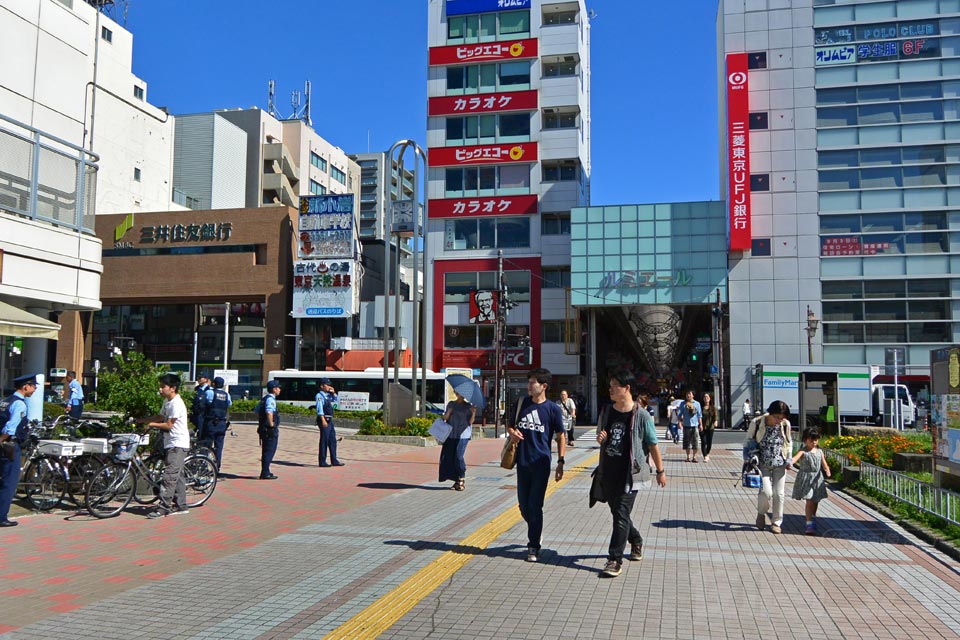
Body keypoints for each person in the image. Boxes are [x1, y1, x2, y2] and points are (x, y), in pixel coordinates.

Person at [595, 371, 667, 578]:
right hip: (608, 470)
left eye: (614, 385)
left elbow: (653, 445)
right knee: (619, 513)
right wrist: (602, 438)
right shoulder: (607, 411)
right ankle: (635, 539)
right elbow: (602, 438)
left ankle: (614, 559)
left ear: (626, 388)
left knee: (620, 514)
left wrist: (660, 472)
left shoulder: (642, 415)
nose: (610, 389)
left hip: (631, 475)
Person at [506, 367, 566, 563]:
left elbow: (560, 435)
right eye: (529, 382)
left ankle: (533, 546)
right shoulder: (522, 404)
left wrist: (561, 461)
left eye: (533, 383)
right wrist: (512, 433)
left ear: (544, 386)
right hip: (522, 463)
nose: (529, 386)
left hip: (541, 464)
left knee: (535, 505)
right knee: (524, 506)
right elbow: (510, 424)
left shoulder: (552, 409)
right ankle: (535, 529)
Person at [144, 373, 191, 518]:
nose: (160, 389)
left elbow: (169, 424)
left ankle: (164, 507)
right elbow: (161, 417)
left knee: (169, 476)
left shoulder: (177, 403)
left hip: (177, 443)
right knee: (177, 475)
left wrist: (151, 425)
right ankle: (182, 505)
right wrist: (143, 420)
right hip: (170, 443)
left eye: (163, 386)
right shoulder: (167, 402)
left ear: (172, 388)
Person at [745, 400, 793, 534]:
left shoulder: (785, 425)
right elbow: (748, 441)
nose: (779, 420)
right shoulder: (758, 422)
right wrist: (748, 457)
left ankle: (776, 522)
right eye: (777, 417)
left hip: (780, 464)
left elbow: (789, 442)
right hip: (763, 464)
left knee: (779, 494)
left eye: (782, 418)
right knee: (766, 492)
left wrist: (789, 457)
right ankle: (761, 514)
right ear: (770, 413)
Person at [0, 374, 39, 527]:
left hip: (3, 445)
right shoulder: (20, 404)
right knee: (9, 482)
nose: (35, 389)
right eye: (33, 386)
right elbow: (11, 427)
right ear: (25, 386)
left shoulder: (5, 401)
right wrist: (2, 439)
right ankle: (2, 517)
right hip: (9, 445)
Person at [791, 427, 831, 535]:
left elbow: (824, 463)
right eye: (811, 440)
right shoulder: (803, 451)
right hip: (806, 479)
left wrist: (827, 470)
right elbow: (795, 458)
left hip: (817, 479)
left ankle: (812, 517)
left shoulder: (819, 451)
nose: (814, 442)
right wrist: (790, 462)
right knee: (809, 500)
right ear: (805, 440)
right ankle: (809, 524)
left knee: (815, 500)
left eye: (816, 440)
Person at [439, 392, 476, 490]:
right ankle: (456, 480)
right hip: (451, 434)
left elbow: (471, 422)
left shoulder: (468, 406)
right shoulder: (451, 404)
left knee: (459, 456)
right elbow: (445, 419)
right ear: (456, 393)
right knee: (451, 457)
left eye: (463, 393)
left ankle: (461, 477)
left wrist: (473, 412)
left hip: (463, 435)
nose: (461, 395)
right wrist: (449, 412)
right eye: (459, 393)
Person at [203, 376, 232, 472]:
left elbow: (203, 404)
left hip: (211, 423)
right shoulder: (227, 395)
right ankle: (217, 467)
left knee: (207, 446)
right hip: (222, 424)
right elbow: (229, 404)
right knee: (219, 447)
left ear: (214, 384)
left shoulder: (209, 393)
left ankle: (204, 466)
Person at [315, 377, 344, 467]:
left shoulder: (327, 395)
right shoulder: (319, 396)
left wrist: (333, 393)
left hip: (329, 420)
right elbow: (319, 409)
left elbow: (335, 400)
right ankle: (322, 461)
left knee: (332, 440)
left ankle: (334, 460)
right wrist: (323, 420)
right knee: (324, 440)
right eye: (327, 385)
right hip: (324, 419)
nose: (329, 386)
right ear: (322, 386)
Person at [258, 379, 281, 480]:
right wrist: (271, 424)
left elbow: (257, 410)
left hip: (263, 428)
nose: (279, 390)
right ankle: (265, 472)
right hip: (269, 429)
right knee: (270, 450)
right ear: (274, 389)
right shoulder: (271, 400)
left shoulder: (264, 398)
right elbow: (269, 412)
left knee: (266, 450)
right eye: (278, 388)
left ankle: (265, 471)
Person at [678, 390, 703, 463]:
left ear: (693, 395)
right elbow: (679, 414)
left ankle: (694, 457)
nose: (688, 395)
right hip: (686, 425)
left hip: (695, 425)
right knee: (686, 442)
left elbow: (699, 415)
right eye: (687, 394)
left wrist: (701, 424)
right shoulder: (683, 403)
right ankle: (688, 457)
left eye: (689, 394)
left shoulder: (697, 404)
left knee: (695, 442)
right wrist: (679, 423)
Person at [191, 372, 211, 442]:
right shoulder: (196, 389)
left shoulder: (209, 390)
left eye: (200, 378)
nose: (198, 379)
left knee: (202, 434)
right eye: (198, 378)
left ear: (206, 379)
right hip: (194, 415)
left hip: (203, 415)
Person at [700, 393, 718, 462]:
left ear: (710, 398)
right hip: (702, 427)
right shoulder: (701, 408)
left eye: (707, 397)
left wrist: (715, 421)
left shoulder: (713, 408)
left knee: (709, 442)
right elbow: (698, 416)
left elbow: (716, 416)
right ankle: (705, 456)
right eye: (704, 397)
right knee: (703, 442)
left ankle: (707, 453)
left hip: (710, 427)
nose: (706, 398)